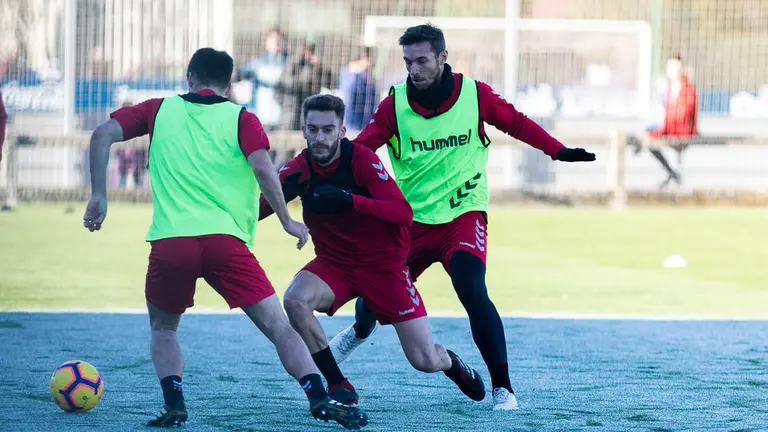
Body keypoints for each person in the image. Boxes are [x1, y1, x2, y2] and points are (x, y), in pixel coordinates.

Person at [82, 48, 367, 429]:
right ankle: (318, 395)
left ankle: (175, 405)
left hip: (171, 244)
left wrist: (99, 195)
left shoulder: (157, 110)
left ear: (189, 78)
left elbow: (102, 134)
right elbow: (265, 169)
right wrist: (285, 219)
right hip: (226, 244)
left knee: (164, 329)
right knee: (279, 327)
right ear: (229, 85)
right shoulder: (242, 118)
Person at [327, 23, 596, 411]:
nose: (414, 69)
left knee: (472, 288)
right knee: (373, 297)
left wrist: (557, 151)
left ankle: (503, 388)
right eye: (407, 62)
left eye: (421, 60)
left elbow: (516, 122)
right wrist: (323, 176)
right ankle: (359, 330)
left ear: (442, 57)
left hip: (463, 214)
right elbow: (360, 150)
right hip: (410, 221)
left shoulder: (474, 94)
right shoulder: (394, 105)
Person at [259, 93, 487, 408]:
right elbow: (259, 208)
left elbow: (403, 214)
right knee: (295, 301)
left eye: (328, 129)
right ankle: (338, 383)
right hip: (334, 265)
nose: (320, 137)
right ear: (304, 130)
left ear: (342, 130)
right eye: (313, 129)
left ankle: (452, 363)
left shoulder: (362, 160)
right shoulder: (299, 170)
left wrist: (350, 200)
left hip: (385, 268)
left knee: (424, 360)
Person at [632, 55, 698, 188]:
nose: (673, 71)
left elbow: (683, 115)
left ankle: (672, 173)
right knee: (646, 136)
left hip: (682, 132)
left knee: (648, 139)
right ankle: (672, 173)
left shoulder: (687, 89)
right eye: (671, 68)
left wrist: (663, 127)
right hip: (672, 128)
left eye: (676, 68)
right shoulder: (671, 87)